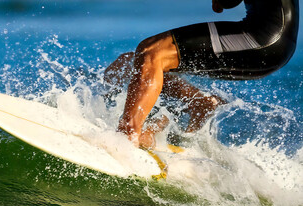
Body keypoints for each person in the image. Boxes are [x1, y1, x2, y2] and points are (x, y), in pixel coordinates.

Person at [104, 0, 299, 149]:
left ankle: (127, 136)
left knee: (153, 53)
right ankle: (198, 102)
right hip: (274, 42)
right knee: (132, 62)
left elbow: (224, 3)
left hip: (263, 38)